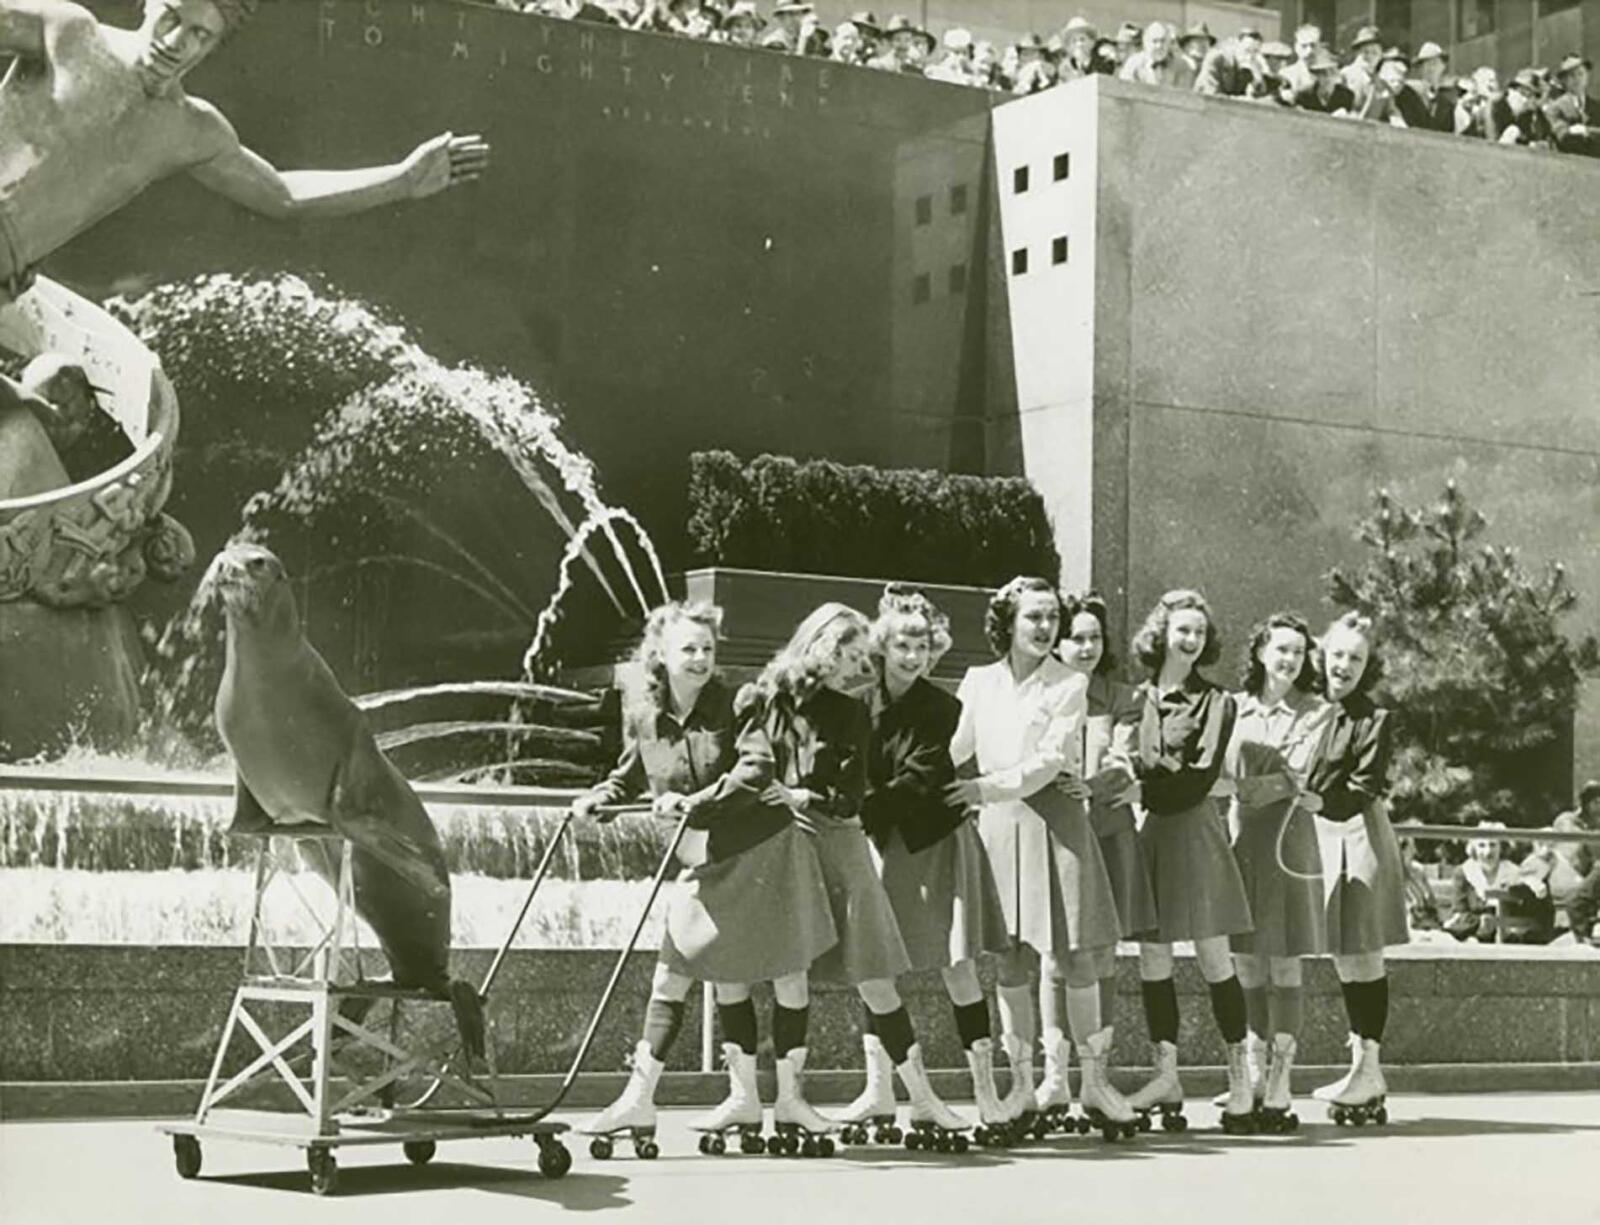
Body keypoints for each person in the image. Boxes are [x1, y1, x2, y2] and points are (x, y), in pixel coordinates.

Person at [0, 0, 488, 308]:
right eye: (172, 17)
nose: (175, 42)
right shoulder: (69, 31)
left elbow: (283, 195)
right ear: (147, 4)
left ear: (213, 46)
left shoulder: (190, 130)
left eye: (198, 34)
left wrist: (401, 179)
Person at [573, 602, 838, 1157]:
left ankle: (789, 1099)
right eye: (688, 649)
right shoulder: (646, 714)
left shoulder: (737, 704)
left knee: (787, 977)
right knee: (675, 973)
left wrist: (692, 801)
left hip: (765, 848)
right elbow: (630, 772)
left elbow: (757, 768)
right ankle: (646, 1098)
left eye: (707, 650)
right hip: (707, 859)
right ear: (660, 656)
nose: (699, 659)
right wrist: (599, 797)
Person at [739, 603, 969, 1148]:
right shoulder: (761, 701)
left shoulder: (850, 713)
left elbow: (851, 798)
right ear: (814, 642)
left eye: (855, 657)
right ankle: (790, 1101)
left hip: (839, 847)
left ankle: (924, 1098)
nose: (850, 666)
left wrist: (806, 795)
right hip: (784, 848)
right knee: (789, 973)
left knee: (874, 975)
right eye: (841, 653)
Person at [949, 577, 1139, 1141]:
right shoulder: (979, 681)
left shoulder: (1068, 684)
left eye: (1051, 617)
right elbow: (955, 746)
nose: (1043, 627)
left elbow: (1047, 761)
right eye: (1033, 616)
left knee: (1075, 955)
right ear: (1007, 620)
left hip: (1054, 820)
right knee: (1009, 960)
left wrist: (981, 789)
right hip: (1000, 828)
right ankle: (1021, 1085)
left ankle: (1094, 1083)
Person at [857, 585, 1012, 1143]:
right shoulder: (857, 701)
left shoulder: (944, 707)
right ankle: (882, 1090)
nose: (913, 656)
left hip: (932, 845)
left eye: (922, 645)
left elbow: (918, 779)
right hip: (878, 842)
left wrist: (855, 811)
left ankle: (986, 1093)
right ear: (883, 645)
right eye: (903, 644)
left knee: (957, 965)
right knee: (871, 962)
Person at [1121, 589, 1254, 1134]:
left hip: (1193, 830)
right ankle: (1166, 1074)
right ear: (1163, 632)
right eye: (1183, 629)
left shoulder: (1219, 702)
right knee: (1153, 956)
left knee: (1212, 954)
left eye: (1200, 631)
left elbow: (1199, 777)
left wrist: (1137, 790)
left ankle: (1241, 1078)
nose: (1192, 639)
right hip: (1152, 832)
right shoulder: (1138, 697)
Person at [1223, 613, 1329, 1132]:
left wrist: (1255, 785)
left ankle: (1282, 1077)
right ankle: (1252, 1070)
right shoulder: (1235, 708)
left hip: (1290, 846)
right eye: (1281, 649)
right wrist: (1263, 785)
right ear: (1261, 650)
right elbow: (1220, 771)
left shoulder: (1316, 712)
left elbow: (1300, 773)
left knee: (1285, 965)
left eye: (1299, 651)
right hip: (1241, 845)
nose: (1289, 660)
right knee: (1246, 966)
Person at [1055, 592, 1158, 1115]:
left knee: (1100, 954)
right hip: (1056, 837)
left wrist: (1091, 786)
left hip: (1108, 834)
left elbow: (1126, 756)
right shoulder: (1043, 693)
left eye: (1095, 638)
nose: (1087, 646)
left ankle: (1097, 1075)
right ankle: (1055, 1077)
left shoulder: (1122, 697)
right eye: (1076, 637)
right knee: (1055, 951)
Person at [1304, 612, 1406, 1125]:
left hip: (1357, 834)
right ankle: (1360, 1066)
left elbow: (1361, 789)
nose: (1344, 665)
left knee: (1362, 950)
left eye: (1356, 659)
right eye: (1338, 654)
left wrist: (1310, 800)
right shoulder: (1308, 710)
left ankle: (1370, 1064)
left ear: (1367, 667)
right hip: (1316, 835)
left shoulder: (1373, 719)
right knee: (1344, 955)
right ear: (1323, 654)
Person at [1444, 820, 1523, 942]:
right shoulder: (1464, 872)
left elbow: (1522, 914)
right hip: (1473, 938)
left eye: (1493, 845)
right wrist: (1481, 923)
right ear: (1474, 848)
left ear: (1501, 847)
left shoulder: (1514, 873)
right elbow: (1459, 914)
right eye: (1481, 845)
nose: (1487, 852)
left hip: (1509, 940)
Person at [1544, 54, 1599, 157]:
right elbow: (1563, 137)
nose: (1577, 79)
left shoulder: (1596, 106)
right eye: (1572, 76)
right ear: (1563, 80)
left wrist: (1585, 130)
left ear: (1587, 77)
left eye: (1580, 74)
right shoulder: (1555, 108)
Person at [1119, 21, 1195, 90]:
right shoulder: (1133, 63)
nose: (1159, 46)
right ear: (1146, 43)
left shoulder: (1182, 66)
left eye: (1163, 41)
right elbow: (1125, 90)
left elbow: (1184, 97)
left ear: (1168, 43)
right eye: (1154, 41)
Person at [1293, 48, 1355, 116]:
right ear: (1316, 75)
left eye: (1332, 72)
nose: (1328, 77)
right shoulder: (1305, 96)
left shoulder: (1346, 96)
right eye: (1323, 73)